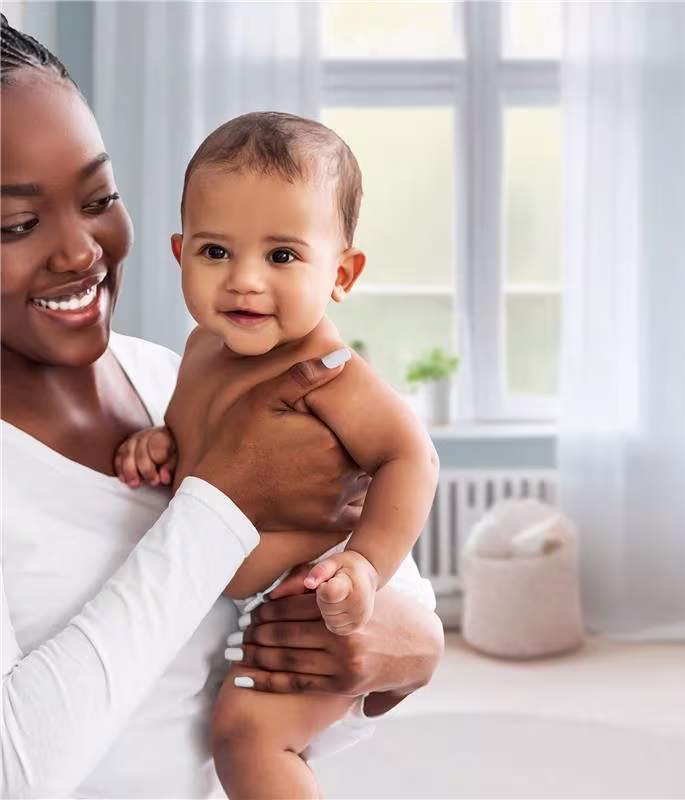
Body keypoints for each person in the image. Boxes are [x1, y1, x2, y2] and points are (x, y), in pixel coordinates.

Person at [0, 16, 444, 799]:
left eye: (100, 196)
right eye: (16, 225)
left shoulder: (169, 371)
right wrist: (215, 506)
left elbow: (370, 537)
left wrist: (404, 646)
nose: (80, 252)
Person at [113, 111, 440, 800]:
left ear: (343, 273)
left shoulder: (331, 373)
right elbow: (203, 438)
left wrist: (364, 566)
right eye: (216, 252)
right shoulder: (202, 349)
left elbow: (412, 458)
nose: (244, 282)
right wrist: (162, 442)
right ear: (179, 253)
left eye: (282, 256)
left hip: (329, 591)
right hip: (257, 599)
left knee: (248, 738)